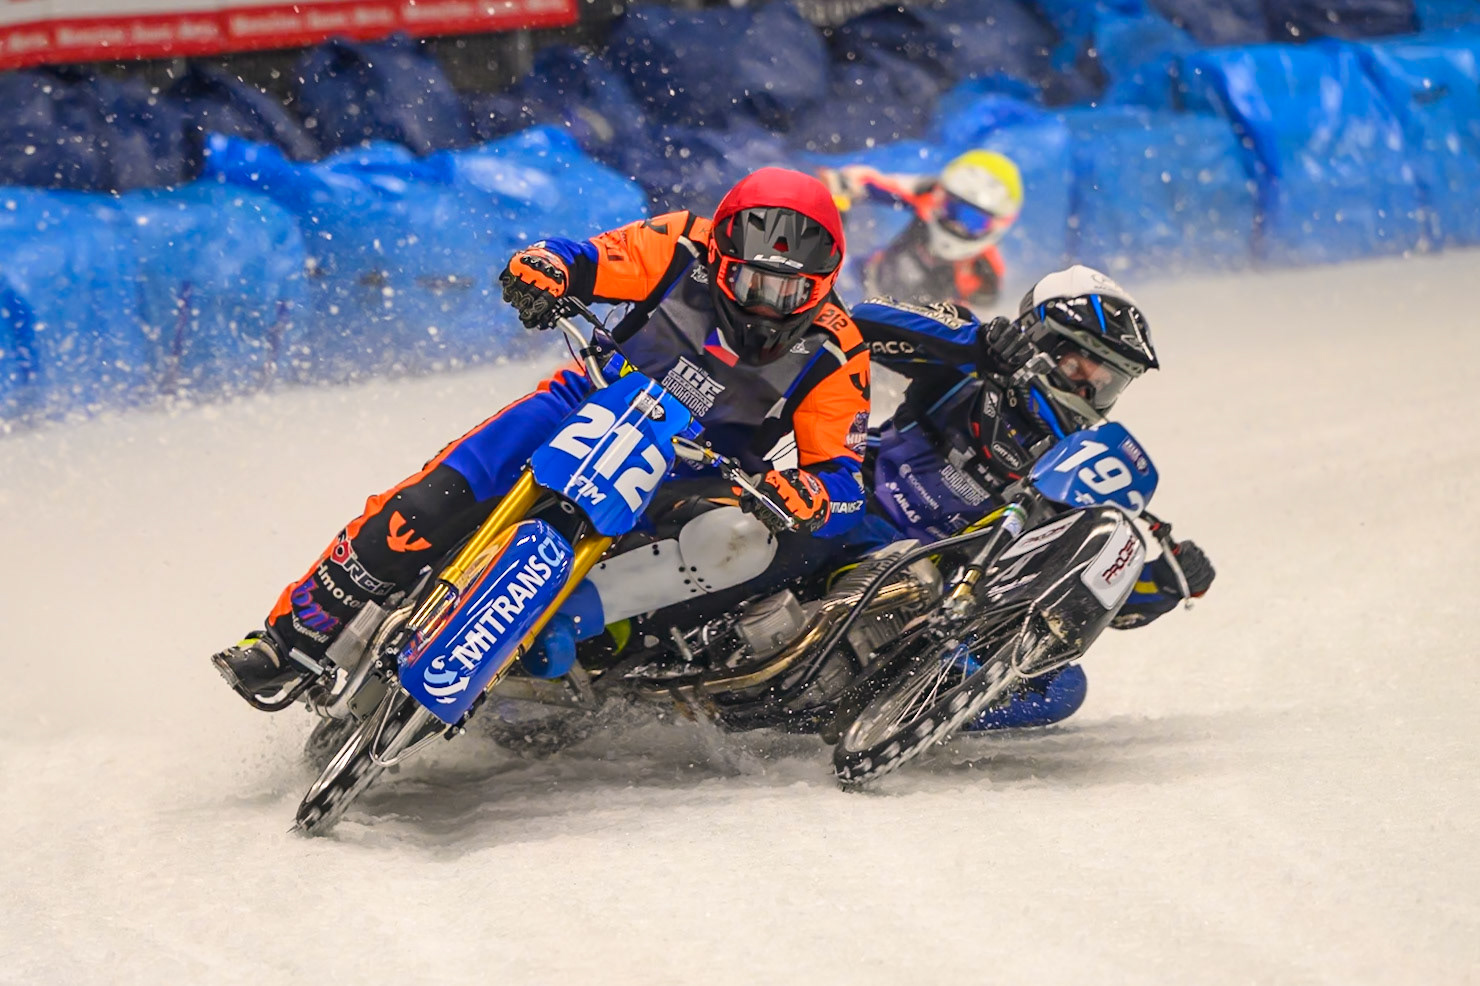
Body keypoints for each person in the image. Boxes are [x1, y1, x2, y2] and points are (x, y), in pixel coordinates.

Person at [212, 167, 871, 707]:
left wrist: (811, 492)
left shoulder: (839, 350)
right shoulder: (680, 244)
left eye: (791, 291)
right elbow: (581, 258)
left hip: (690, 473)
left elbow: (844, 478)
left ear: (825, 284)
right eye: (752, 281)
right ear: (721, 257)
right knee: (422, 509)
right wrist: (543, 269)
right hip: (583, 399)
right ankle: (288, 638)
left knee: (737, 541)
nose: (766, 305)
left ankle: (581, 637)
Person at [851, 265, 1216, 729]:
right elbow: (863, 320)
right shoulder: (970, 358)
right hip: (857, 511)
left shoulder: (1080, 465)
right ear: (1042, 337)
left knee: (1061, 685)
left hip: (934, 597)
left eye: (1109, 381)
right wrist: (974, 343)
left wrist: (1161, 581)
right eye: (1083, 366)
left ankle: (906, 702)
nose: (1091, 387)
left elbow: (1083, 594)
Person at [818, 149, 1023, 308]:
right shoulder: (926, 193)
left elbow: (968, 329)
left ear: (998, 225)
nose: (957, 225)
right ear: (941, 196)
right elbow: (861, 181)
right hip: (863, 277)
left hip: (906, 333)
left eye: (974, 221)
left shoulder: (985, 273)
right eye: (953, 209)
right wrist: (835, 193)